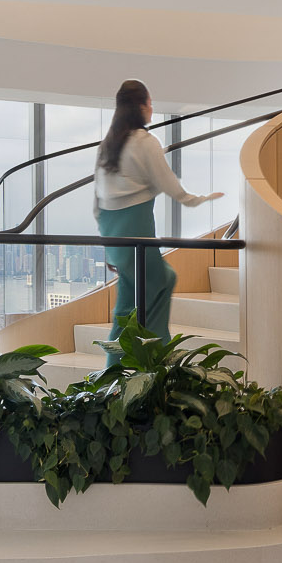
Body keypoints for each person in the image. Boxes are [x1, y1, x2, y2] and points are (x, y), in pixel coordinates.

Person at [92, 81, 221, 360]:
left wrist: (107, 244)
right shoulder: (145, 142)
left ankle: (116, 367)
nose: (152, 108)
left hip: (112, 231)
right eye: (149, 103)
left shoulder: (108, 145)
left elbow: (97, 200)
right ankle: (155, 358)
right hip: (135, 227)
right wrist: (199, 199)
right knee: (162, 281)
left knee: (128, 300)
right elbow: (169, 183)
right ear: (140, 107)